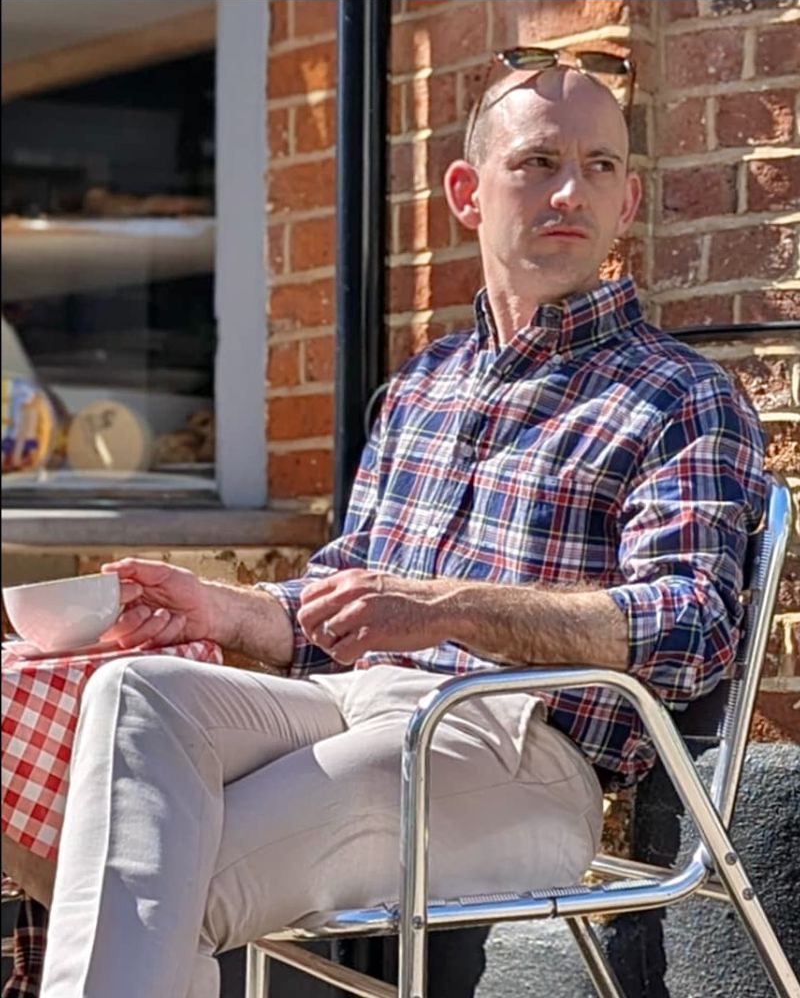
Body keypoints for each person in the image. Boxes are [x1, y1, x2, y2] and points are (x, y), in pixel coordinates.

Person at [38, 60, 766, 998]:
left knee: (158, 885)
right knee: (139, 693)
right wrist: (221, 609)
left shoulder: (680, 396)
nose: (569, 191)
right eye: (538, 162)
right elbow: (339, 605)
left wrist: (452, 609)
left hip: (522, 749)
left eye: (600, 166)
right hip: (360, 708)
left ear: (627, 202)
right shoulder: (422, 387)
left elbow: (691, 627)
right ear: (467, 192)